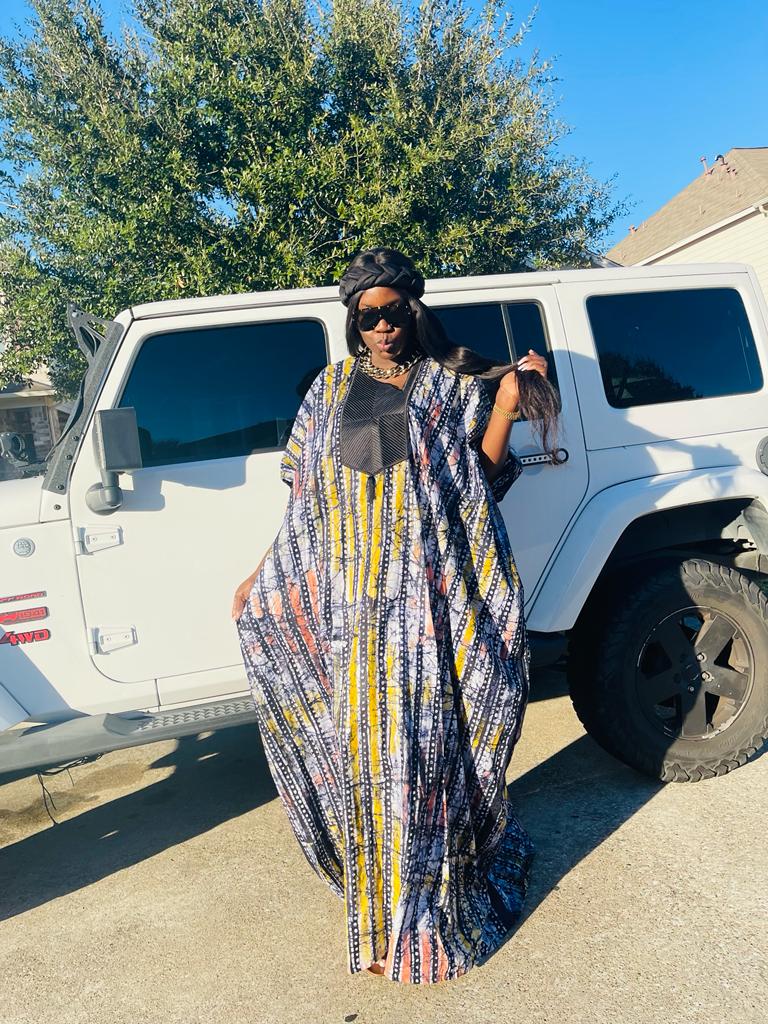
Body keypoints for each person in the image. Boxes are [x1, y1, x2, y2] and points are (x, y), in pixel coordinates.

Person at [232, 247, 558, 984]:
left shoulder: (449, 384)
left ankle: (425, 920)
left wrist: (509, 404)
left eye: (391, 312)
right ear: (354, 322)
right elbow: (308, 499)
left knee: (425, 757)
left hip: (429, 607)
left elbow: (478, 480)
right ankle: (383, 923)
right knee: (371, 764)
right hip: (355, 613)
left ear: (412, 311)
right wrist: (263, 573)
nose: (379, 327)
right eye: (365, 316)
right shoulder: (331, 388)